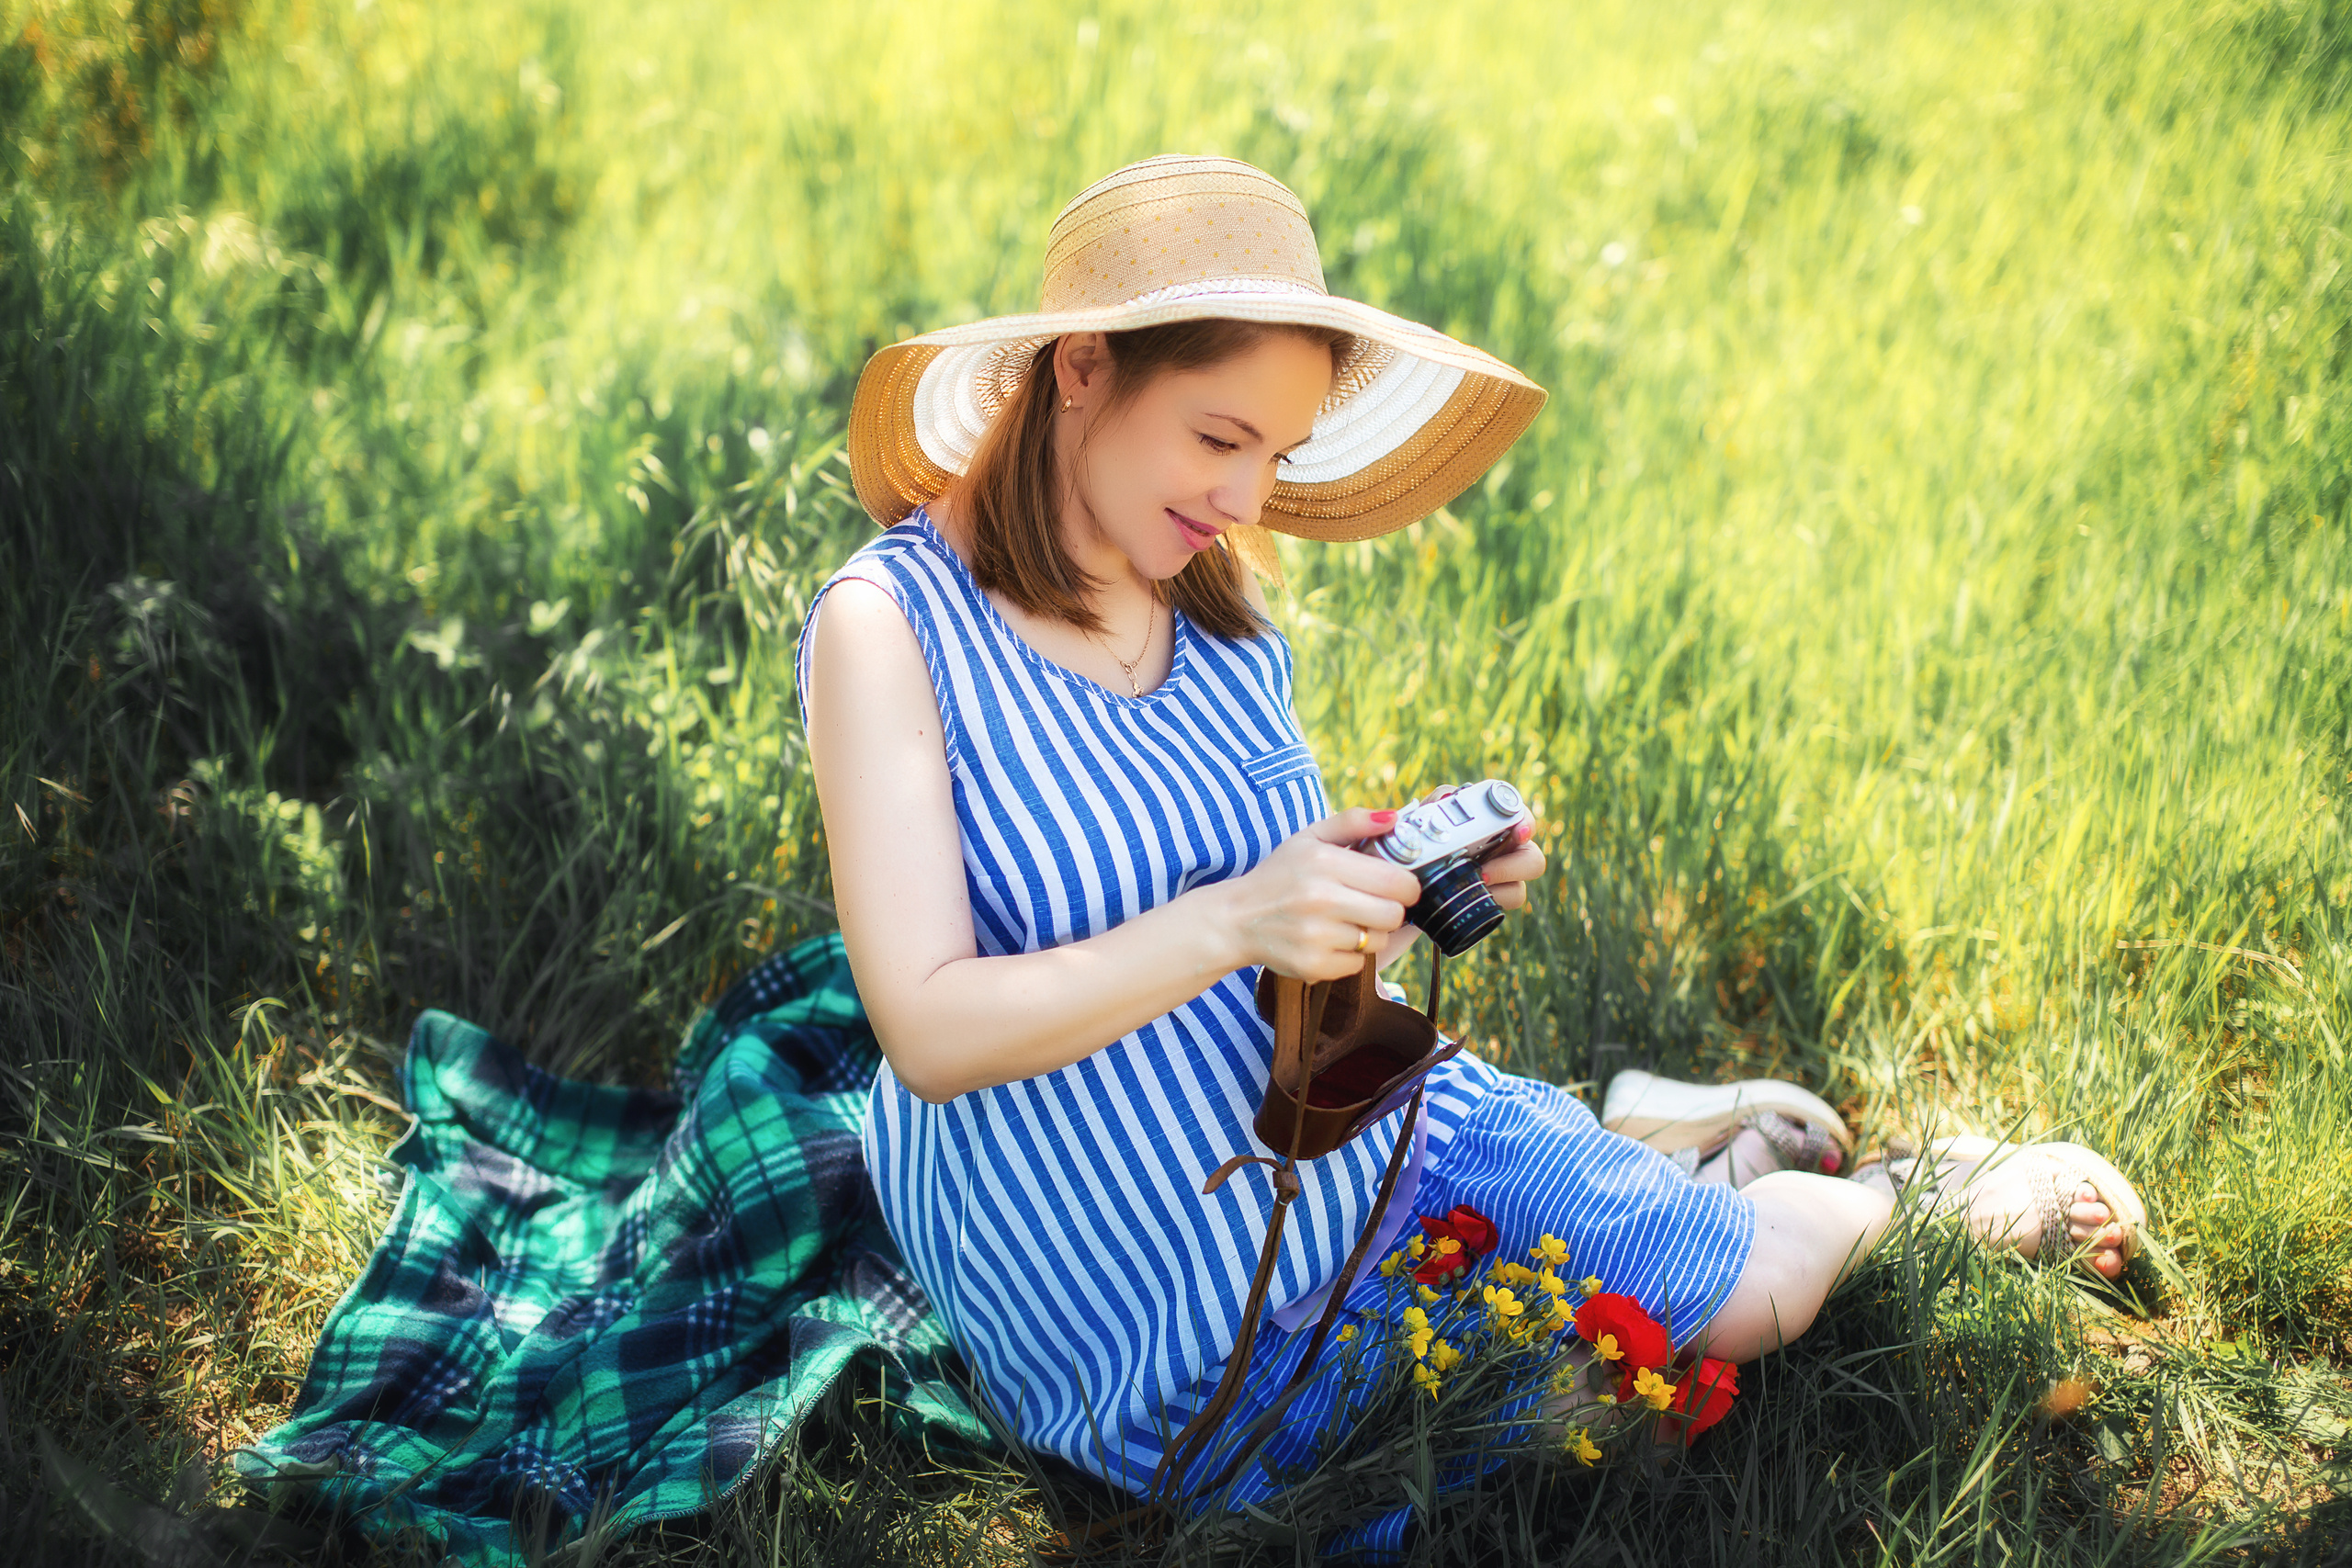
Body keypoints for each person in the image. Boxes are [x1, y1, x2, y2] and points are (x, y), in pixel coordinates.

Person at [796, 155, 2143, 1536]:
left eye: (1277, 453)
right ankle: (1680, 1145)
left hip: (1353, 1156)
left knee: (1730, 1317)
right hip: (1123, 1306)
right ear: (1081, 370)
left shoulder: (1200, 595)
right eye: (1220, 439)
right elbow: (929, 1026)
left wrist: (1396, 889)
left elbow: (1252, 900)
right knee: (1544, 1434)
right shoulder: (890, 629)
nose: (1251, 499)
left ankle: (1905, 1197)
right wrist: (1241, 920)